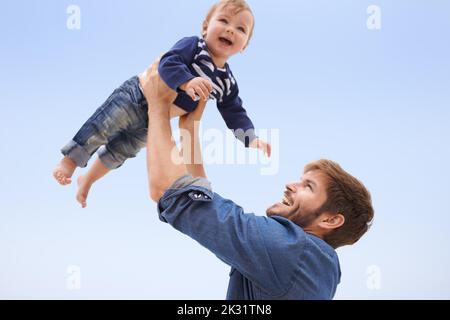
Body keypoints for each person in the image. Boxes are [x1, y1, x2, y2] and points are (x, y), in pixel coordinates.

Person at [141, 61, 375, 300]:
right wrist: (190, 128)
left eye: (308, 186)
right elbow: (207, 207)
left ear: (331, 219)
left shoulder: (292, 251)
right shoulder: (307, 265)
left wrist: (157, 104)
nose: (290, 185)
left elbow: (171, 193)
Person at [53, 0, 270, 208]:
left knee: (120, 152)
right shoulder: (194, 46)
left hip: (156, 122)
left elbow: (234, 111)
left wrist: (250, 139)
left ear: (245, 46)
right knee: (102, 127)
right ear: (205, 27)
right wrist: (187, 81)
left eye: (241, 28)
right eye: (223, 21)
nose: (230, 29)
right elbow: (169, 62)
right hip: (136, 96)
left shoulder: (226, 83)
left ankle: (88, 180)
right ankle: (71, 160)